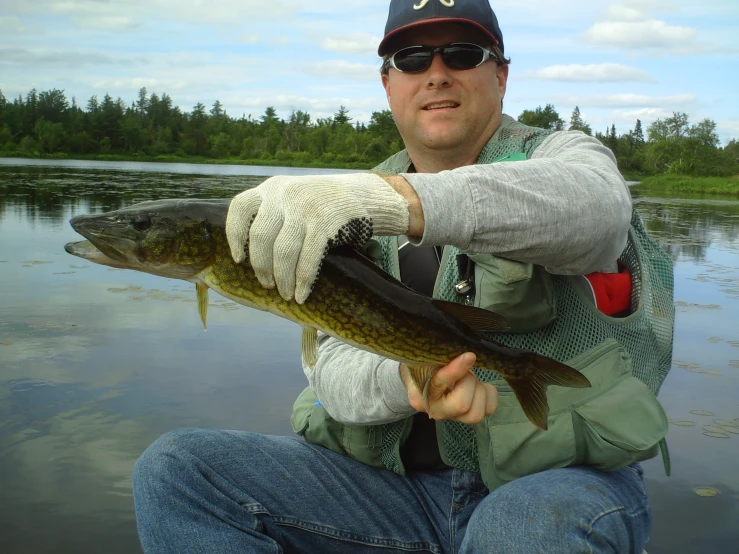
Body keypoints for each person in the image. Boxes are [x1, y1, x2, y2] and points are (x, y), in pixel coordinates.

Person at [132, 1, 674, 552]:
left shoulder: (564, 157)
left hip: (557, 488)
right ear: (388, 84)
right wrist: (410, 381)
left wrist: (395, 202)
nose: (436, 72)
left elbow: (601, 212)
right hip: (393, 495)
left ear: (501, 74)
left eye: (463, 53)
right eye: (411, 58)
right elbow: (332, 369)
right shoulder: (335, 206)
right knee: (179, 470)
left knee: (520, 530)